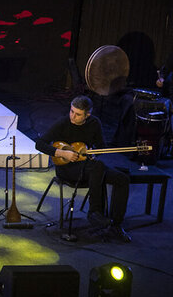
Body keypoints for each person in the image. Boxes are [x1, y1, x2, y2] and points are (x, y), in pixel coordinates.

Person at [35, 95, 132, 242]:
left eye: (78, 114)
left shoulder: (94, 123)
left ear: (87, 115)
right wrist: (63, 153)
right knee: (98, 167)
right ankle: (95, 211)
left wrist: (93, 153)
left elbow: (101, 147)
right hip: (67, 168)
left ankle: (115, 225)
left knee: (122, 179)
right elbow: (40, 144)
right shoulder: (63, 123)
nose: (73, 116)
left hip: (90, 167)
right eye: (72, 111)